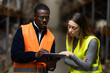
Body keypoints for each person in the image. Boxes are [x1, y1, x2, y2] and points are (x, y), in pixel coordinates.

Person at [11, 3, 57, 73]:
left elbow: (51, 64)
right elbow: (15, 55)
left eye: (47, 17)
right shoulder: (22, 31)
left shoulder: (51, 37)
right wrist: (35, 55)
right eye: (41, 17)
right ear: (34, 16)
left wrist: (51, 66)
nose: (45, 20)